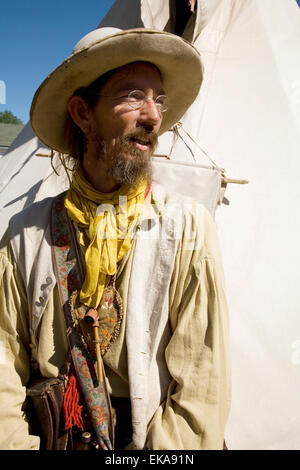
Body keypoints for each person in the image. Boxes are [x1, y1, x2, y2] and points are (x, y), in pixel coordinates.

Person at [0, 27, 231, 450]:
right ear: (83, 114)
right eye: (131, 96)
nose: (153, 116)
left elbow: (201, 387)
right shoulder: (24, 235)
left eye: (158, 99)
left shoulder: (189, 228)